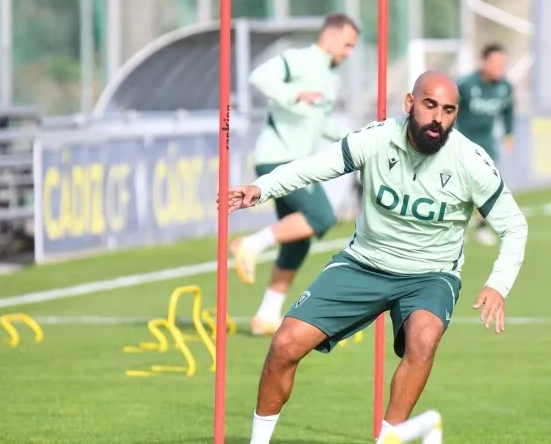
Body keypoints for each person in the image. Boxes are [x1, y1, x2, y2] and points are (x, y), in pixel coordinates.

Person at [224, 71, 529, 444]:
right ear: (410, 103)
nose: (437, 118)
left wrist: (498, 285)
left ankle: (387, 439)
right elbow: (312, 167)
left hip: (430, 275)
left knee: (424, 337)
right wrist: (261, 188)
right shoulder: (377, 138)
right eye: (430, 105)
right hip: (363, 264)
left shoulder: (470, 161)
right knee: (285, 344)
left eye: (448, 110)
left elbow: (515, 226)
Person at [229, 13, 360, 336]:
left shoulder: (331, 78)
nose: (350, 53)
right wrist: (293, 95)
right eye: (347, 44)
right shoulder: (300, 60)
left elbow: (322, 123)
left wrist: (357, 139)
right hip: (277, 160)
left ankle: (266, 316)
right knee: (321, 217)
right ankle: (250, 245)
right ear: (329, 38)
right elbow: (259, 76)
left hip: (299, 164)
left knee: (297, 243)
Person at [455, 43, 516, 246]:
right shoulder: (466, 85)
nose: (500, 68)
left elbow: (508, 111)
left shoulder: (505, 87)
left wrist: (509, 133)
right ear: (484, 63)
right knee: (458, 188)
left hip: (486, 145)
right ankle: (452, 227)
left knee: (487, 186)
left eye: (503, 64)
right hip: (461, 142)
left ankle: (482, 227)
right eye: (496, 63)